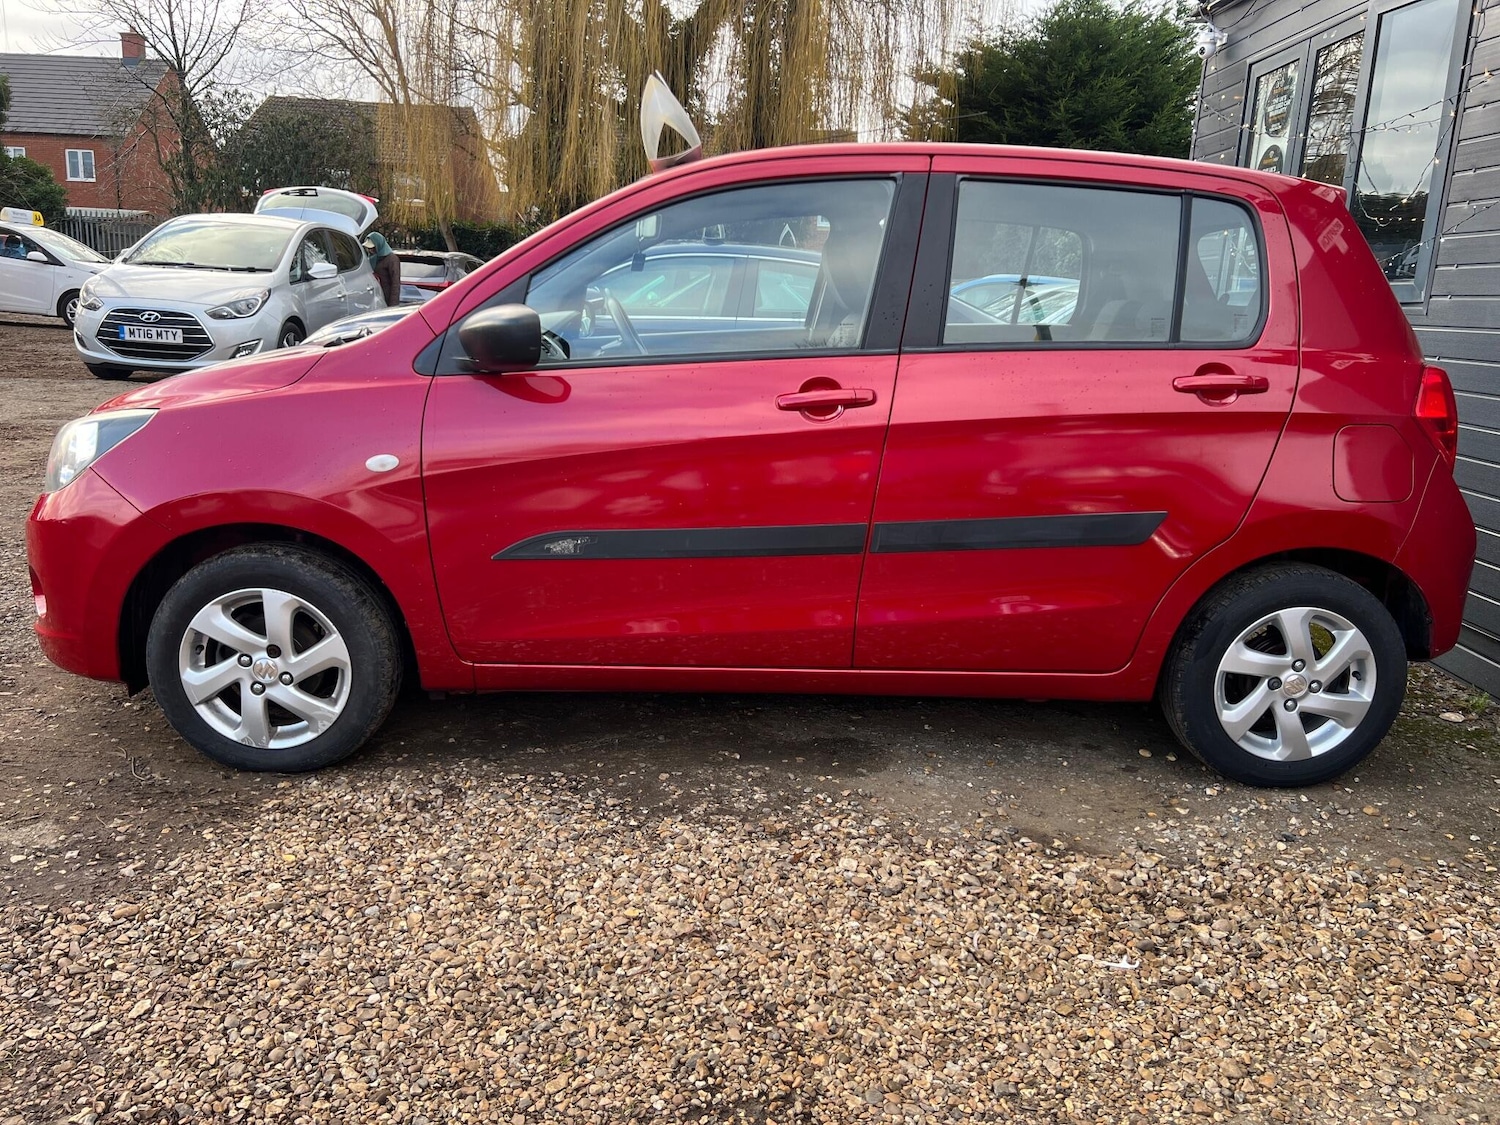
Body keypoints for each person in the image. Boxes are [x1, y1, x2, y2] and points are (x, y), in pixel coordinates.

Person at [363, 231, 402, 307]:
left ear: (378, 246)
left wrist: (393, 306)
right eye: (368, 248)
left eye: (372, 248)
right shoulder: (371, 258)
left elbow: (395, 284)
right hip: (374, 298)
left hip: (386, 298)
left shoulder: (392, 259)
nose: (370, 251)